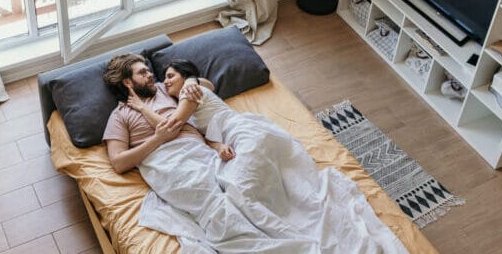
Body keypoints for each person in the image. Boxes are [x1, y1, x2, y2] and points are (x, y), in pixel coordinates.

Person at [101, 54, 408, 253]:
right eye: (144, 73)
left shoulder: (172, 92)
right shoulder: (121, 115)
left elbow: (202, 104)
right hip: (170, 165)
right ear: (128, 82)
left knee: (252, 193)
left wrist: (197, 87)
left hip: (205, 155)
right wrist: (156, 140)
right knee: (222, 214)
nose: (152, 76)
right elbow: (117, 162)